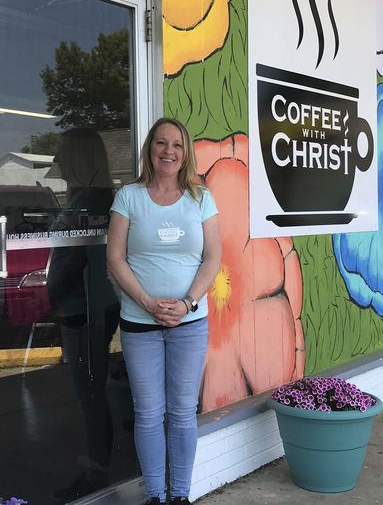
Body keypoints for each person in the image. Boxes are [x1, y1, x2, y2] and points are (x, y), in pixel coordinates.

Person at [106, 118, 221, 505]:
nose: (168, 151)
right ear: (149, 149)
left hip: (190, 322)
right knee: (149, 413)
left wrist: (187, 302)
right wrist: (147, 302)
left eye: (176, 144)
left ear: (185, 151)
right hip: (140, 322)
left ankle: (180, 497)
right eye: (160, 143)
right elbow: (115, 258)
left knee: (183, 412)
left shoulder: (202, 198)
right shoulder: (129, 197)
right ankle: (155, 496)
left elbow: (212, 258)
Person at [47, 129, 122, 503]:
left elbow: (77, 258)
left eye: (62, 153)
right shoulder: (82, 197)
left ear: (79, 159)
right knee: (88, 390)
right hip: (79, 307)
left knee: (88, 392)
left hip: (85, 309)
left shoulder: (92, 200)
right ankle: (97, 466)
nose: (56, 160)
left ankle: (98, 473)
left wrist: (50, 295)